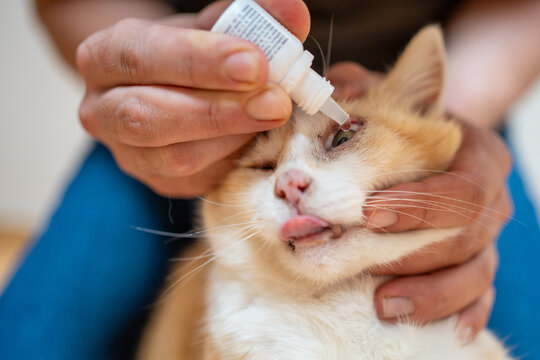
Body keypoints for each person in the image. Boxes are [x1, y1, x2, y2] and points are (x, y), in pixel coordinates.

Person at [0, 0, 538, 359]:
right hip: (175, 114)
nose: (291, 181)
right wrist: (141, 71)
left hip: (459, 84)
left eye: (341, 139)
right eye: (268, 168)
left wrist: (452, 114)